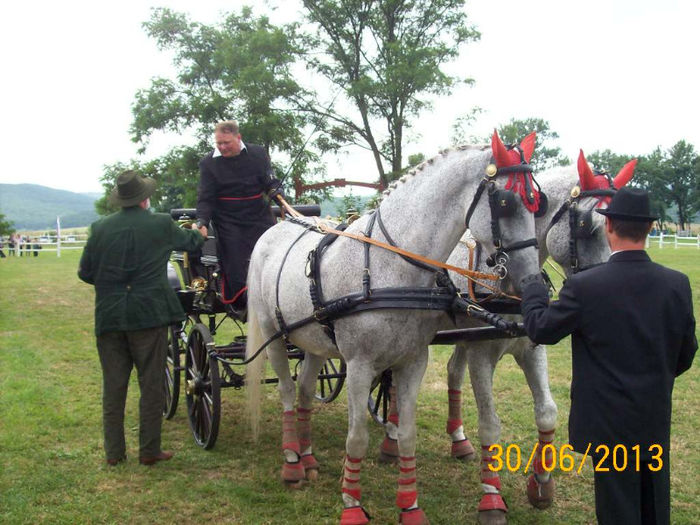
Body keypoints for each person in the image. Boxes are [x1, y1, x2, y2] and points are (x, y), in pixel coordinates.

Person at [519, 187, 697, 524]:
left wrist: (534, 292)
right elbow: (686, 354)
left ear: (609, 226)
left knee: (617, 508)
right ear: (647, 229)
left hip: (608, 427)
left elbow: (540, 329)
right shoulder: (677, 284)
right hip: (653, 417)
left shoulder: (586, 286)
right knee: (654, 502)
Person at [78, 170, 205, 467]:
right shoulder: (160, 223)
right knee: (151, 385)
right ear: (145, 198)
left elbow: (85, 272)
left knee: (113, 387)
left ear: (121, 200)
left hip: (110, 317)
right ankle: (149, 450)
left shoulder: (99, 228)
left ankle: (114, 453)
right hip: (149, 315)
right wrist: (201, 231)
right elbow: (191, 243)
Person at [195, 120, 283, 313]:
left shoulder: (258, 153)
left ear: (238, 137)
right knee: (236, 259)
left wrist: (278, 194)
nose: (223, 147)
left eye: (226, 143)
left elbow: (270, 181)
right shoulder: (208, 163)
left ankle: (277, 291)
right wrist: (201, 221)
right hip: (228, 219)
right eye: (219, 143)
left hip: (258, 214)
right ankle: (243, 300)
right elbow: (205, 198)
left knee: (274, 251)